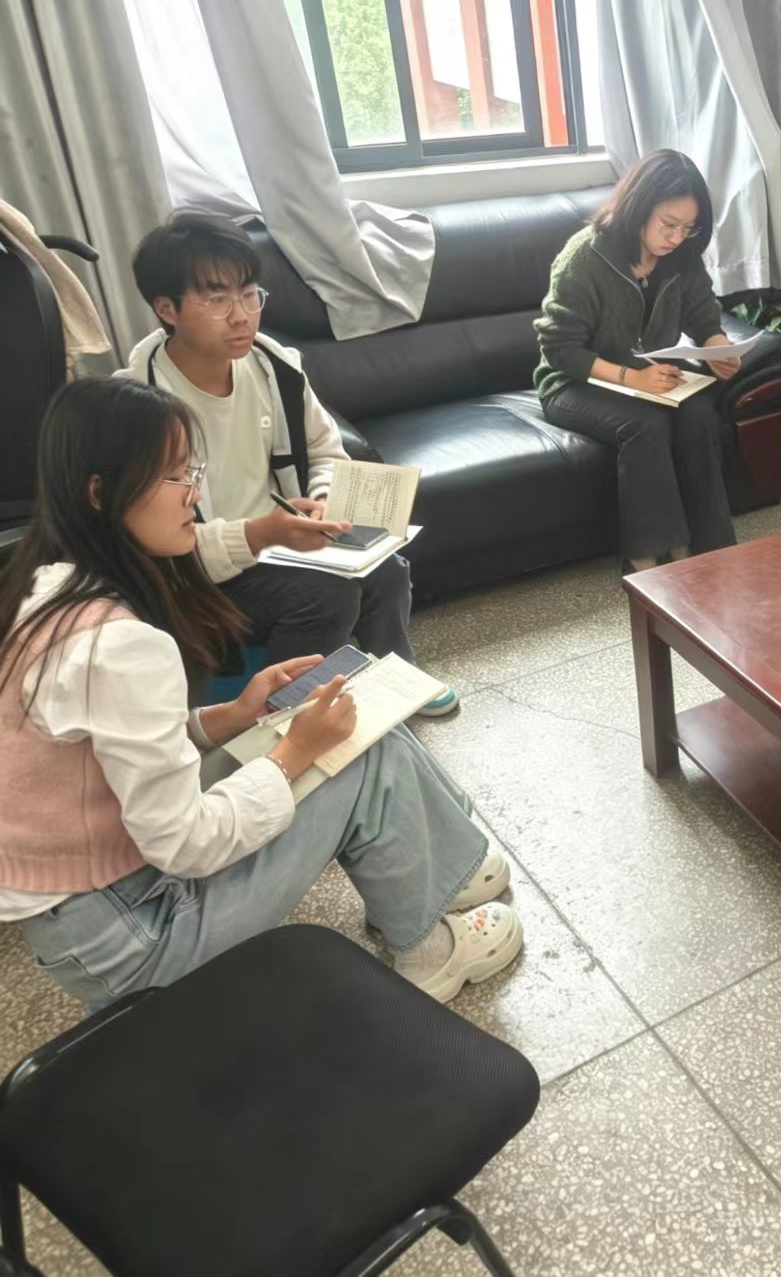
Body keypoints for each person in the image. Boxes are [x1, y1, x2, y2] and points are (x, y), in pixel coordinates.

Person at [0, 379, 521, 1008]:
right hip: (140, 937)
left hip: (94, 913)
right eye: (174, 476)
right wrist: (293, 754)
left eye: (191, 472)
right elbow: (185, 844)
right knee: (355, 750)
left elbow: (104, 753)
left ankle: (435, 869)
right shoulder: (119, 643)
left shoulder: (45, 591)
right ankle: (430, 948)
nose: (194, 494)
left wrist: (231, 716)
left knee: (346, 720)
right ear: (99, 492)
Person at [117, 211, 457, 715]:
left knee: (384, 569)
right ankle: (285, 715)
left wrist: (321, 500)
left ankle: (396, 675)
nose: (241, 316)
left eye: (249, 294)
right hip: (194, 574)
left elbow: (324, 450)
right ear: (167, 308)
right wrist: (263, 533)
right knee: (326, 596)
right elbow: (157, 543)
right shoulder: (137, 404)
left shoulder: (273, 365)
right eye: (217, 300)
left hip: (279, 542)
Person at [535, 149, 743, 572]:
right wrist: (632, 378)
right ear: (639, 208)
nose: (676, 237)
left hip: (647, 377)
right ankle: (649, 562)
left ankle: (711, 553)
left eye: (687, 228)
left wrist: (718, 347)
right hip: (575, 382)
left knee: (699, 414)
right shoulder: (585, 257)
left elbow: (703, 315)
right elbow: (560, 349)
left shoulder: (681, 257)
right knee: (645, 424)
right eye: (668, 224)